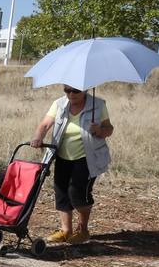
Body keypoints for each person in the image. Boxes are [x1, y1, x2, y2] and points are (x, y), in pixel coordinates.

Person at [29, 86, 112, 244]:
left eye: (75, 91)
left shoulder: (98, 105)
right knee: (61, 192)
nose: (71, 94)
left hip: (87, 157)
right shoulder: (59, 104)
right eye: (67, 90)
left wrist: (100, 130)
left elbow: (109, 129)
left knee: (77, 194)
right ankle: (66, 230)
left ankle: (83, 230)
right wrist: (38, 137)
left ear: (85, 90)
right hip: (62, 155)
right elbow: (45, 124)